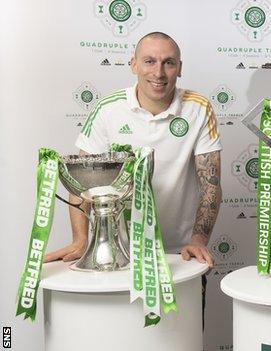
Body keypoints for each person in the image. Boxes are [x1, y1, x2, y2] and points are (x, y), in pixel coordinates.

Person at [45, 32, 221, 266]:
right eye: (149, 61)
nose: (158, 73)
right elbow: (83, 182)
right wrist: (80, 240)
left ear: (179, 68)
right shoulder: (107, 109)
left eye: (168, 63)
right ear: (133, 64)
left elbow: (211, 185)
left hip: (181, 253)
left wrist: (198, 241)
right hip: (119, 251)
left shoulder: (198, 108)